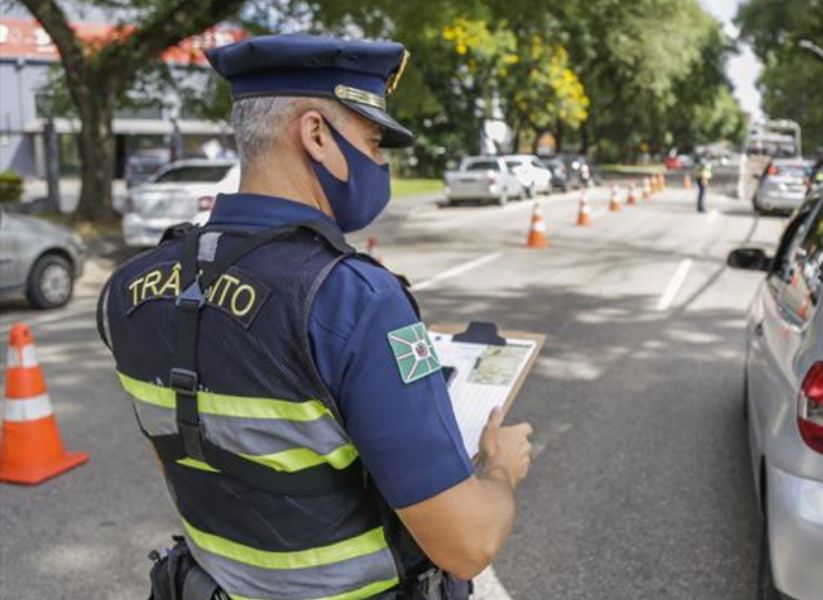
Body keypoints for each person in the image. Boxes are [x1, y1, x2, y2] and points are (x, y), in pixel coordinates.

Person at [96, 34, 532, 600]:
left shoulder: (129, 290)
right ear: (317, 135)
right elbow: (466, 545)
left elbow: (195, 463)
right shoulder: (354, 299)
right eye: (374, 141)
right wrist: (500, 470)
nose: (380, 163)